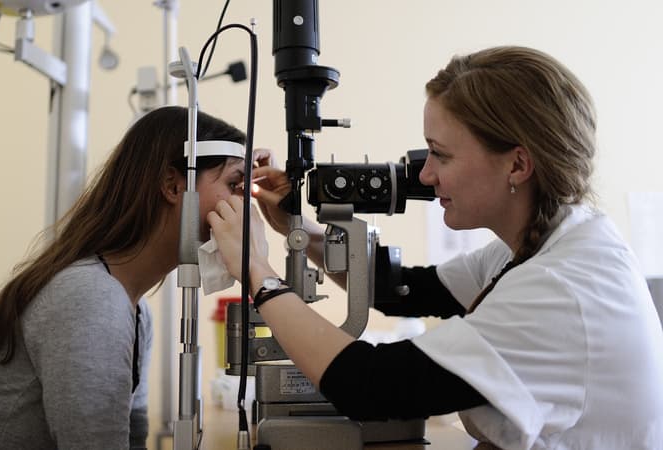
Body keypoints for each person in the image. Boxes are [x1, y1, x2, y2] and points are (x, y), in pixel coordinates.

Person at [208, 46, 663, 449]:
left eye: (440, 155)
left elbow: (371, 386)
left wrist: (258, 273)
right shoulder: (543, 241)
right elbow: (399, 289)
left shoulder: (559, 288)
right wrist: (297, 229)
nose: (424, 177)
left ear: (517, 164)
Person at [0, 106, 247, 450]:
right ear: (173, 186)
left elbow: (131, 440)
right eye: (235, 185)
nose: (244, 206)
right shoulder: (91, 298)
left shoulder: (137, 311)